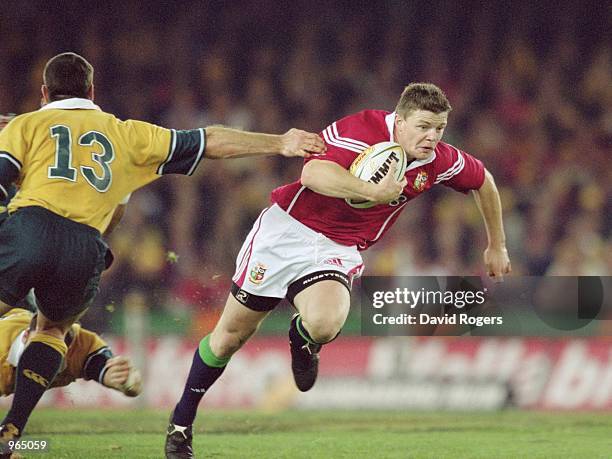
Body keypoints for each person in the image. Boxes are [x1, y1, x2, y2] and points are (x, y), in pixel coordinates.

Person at [0, 51, 325, 457]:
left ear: (44, 92)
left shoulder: (24, 123)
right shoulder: (127, 134)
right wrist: (280, 142)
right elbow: (209, 140)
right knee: (51, 331)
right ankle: (12, 430)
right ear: (92, 91)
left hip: (30, 227)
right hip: (85, 247)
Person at [165, 82, 511, 458]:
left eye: (439, 129)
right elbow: (314, 174)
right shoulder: (360, 130)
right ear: (399, 122)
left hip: (338, 248)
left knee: (326, 323)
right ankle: (182, 423)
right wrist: (370, 189)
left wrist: (497, 245)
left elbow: (484, 181)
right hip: (286, 234)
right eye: (423, 126)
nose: (431, 137)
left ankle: (304, 337)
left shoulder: (439, 160)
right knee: (229, 337)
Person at [0, 307, 142, 399]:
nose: (48, 356)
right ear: (25, 337)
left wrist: (125, 380)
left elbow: (118, 375)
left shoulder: (81, 346)